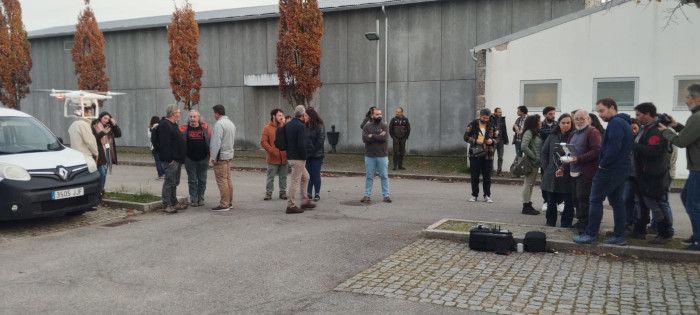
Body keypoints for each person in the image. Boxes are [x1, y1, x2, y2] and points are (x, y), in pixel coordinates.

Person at [573, 98, 633, 246]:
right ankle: (619, 236)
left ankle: (591, 234)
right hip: (622, 169)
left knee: (595, 200)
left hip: (610, 169)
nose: (599, 114)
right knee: (617, 202)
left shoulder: (615, 124)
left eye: (602, 110)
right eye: (598, 111)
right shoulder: (625, 123)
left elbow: (613, 147)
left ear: (612, 107)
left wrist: (603, 165)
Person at [659, 83, 700, 251]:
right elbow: (691, 134)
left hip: (698, 169)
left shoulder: (697, 117)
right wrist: (676, 126)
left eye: (688, 98)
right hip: (696, 168)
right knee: (687, 199)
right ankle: (697, 236)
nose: (685, 101)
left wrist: (665, 131)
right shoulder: (696, 117)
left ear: (697, 98)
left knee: (693, 203)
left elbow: (681, 141)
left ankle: (698, 240)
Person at [629, 102, 673, 244]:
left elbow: (654, 151)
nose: (637, 117)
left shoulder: (656, 130)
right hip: (641, 173)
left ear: (648, 114)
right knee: (641, 203)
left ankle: (665, 232)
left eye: (639, 115)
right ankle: (640, 229)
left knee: (654, 203)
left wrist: (634, 146)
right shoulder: (645, 128)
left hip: (653, 174)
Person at [565, 110, 601, 232]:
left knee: (583, 198)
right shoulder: (573, 133)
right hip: (573, 171)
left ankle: (587, 224)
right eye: (577, 119)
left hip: (585, 172)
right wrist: (562, 167)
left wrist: (579, 159)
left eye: (582, 119)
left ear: (588, 119)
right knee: (575, 198)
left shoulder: (592, 132)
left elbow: (596, 151)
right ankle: (581, 221)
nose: (579, 121)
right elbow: (569, 152)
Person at [543, 114, 574, 227]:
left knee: (568, 200)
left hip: (568, 172)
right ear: (559, 123)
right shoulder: (552, 135)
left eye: (568, 123)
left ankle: (566, 223)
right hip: (552, 172)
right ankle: (550, 222)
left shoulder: (574, 135)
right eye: (563, 123)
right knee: (551, 200)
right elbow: (544, 152)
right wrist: (546, 167)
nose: (566, 125)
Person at [285, 105, 316, 213]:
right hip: (298, 158)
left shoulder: (288, 125)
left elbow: (285, 140)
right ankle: (291, 205)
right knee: (295, 181)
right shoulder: (301, 126)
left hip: (291, 156)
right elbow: (301, 144)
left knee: (306, 177)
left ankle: (304, 200)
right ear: (303, 115)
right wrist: (304, 156)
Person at [157, 104, 188, 214]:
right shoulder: (165, 125)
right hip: (171, 159)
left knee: (175, 182)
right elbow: (165, 144)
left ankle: (174, 202)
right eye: (179, 112)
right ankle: (167, 204)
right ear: (174, 113)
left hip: (178, 159)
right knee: (169, 181)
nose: (180, 114)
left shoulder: (174, 124)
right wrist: (169, 159)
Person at [179, 110, 211, 207]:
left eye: (194, 117)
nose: (192, 119)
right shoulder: (184, 130)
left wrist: (210, 156)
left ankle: (201, 198)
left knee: (202, 180)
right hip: (189, 159)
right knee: (192, 180)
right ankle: (194, 199)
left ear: (198, 118)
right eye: (190, 117)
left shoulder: (205, 129)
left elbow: (210, 142)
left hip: (203, 158)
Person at [464, 108, 497, 203]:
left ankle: (487, 195)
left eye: (487, 118)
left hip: (488, 154)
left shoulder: (492, 126)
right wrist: (474, 140)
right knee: (474, 176)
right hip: (475, 154)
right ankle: (474, 195)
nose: (485, 119)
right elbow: (465, 137)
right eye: (484, 117)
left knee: (487, 177)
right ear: (480, 116)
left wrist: (492, 141)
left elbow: (497, 138)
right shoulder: (472, 124)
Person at [361, 108, 391, 203]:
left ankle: (386, 195)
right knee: (369, 176)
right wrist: (378, 135)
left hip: (382, 155)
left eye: (380, 114)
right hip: (370, 155)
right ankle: (367, 195)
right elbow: (365, 139)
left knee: (384, 176)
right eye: (377, 114)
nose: (379, 116)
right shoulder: (366, 127)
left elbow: (384, 138)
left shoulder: (385, 126)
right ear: (372, 115)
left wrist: (372, 135)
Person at [210, 104, 236, 212]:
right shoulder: (230, 123)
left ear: (216, 113)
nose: (213, 115)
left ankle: (224, 204)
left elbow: (216, 142)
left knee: (221, 180)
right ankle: (229, 202)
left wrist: (213, 156)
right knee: (227, 179)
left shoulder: (219, 124)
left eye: (213, 113)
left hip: (221, 156)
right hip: (229, 154)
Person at [260, 108, 288, 201]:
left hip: (284, 157)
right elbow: (263, 141)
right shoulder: (267, 128)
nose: (281, 117)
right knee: (270, 176)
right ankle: (268, 192)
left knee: (283, 176)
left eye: (282, 116)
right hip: (272, 157)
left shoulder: (285, 127)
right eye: (279, 115)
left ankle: (282, 192)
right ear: (274, 116)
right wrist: (271, 150)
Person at [92, 111, 122, 195]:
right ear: (100, 117)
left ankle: (101, 190)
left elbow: (118, 134)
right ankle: (99, 192)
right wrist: (103, 132)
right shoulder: (95, 126)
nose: (106, 120)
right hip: (100, 153)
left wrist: (114, 124)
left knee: (104, 173)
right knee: (101, 172)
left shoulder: (109, 127)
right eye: (105, 118)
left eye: (108, 119)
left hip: (108, 152)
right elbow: (94, 139)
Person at [520, 114, 542, 215]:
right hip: (531, 162)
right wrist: (534, 156)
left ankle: (528, 203)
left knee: (531, 184)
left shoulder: (535, 132)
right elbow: (524, 146)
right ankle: (526, 206)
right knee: (528, 184)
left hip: (535, 162)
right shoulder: (529, 132)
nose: (540, 123)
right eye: (539, 121)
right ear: (534, 123)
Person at [68, 105, 100, 169]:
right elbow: (90, 141)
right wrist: (96, 153)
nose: (90, 114)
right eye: (89, 112)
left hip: (75, 155)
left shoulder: (73, 124)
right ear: (85, 113)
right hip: (85, 157)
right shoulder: (84, 124)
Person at [305, 107, 326, 201]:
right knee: (307, 175)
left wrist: (312, 150)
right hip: (306, 154)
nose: (304, 117)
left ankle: (317, 193)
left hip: (317, 155)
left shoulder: (319, 126)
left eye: (306, 115)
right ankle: (309, 192)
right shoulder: (304, 125)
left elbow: (321, 140)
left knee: (315, 174)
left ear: (310, 116)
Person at [623, 119, 640, 230]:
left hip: (636, 175)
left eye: (635, 128)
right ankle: (628, 221)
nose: (633, 131)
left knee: (635, 200)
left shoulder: (639, 141)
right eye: (631, 128)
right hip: (626, 174)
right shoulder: (625, 141)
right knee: (626, 199)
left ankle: (633, 221)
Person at [489, 107, 508, 175]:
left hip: (500, 140)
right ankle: (491, 170)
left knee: (500, 157)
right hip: (493, 140)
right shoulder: (491, 118)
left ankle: (499, 171)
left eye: (501, 112)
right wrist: (490, 115)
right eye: (499, 112)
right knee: (491, 156)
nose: (500, 113)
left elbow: (504, 130)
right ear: (495, 112)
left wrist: (506, 140)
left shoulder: (502, 119)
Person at [148, 116, 165, 180]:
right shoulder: (160, 127)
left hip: (153, 147)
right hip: (161, 147)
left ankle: (160, 174)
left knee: (157, 161)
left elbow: (149, 138)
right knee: (162, 161)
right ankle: (164, 173)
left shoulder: (150, 129)